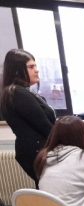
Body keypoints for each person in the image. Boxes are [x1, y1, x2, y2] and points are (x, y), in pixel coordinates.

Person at [1, 49, 56, 185]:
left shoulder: (21, 91)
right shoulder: (18, 93)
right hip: (36, 150)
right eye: (31, 67)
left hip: (35, 149)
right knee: (50, 189)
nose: (36, 70)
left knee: (49, 188)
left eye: (35, 66)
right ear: (17, 70)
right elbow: (45, 127)